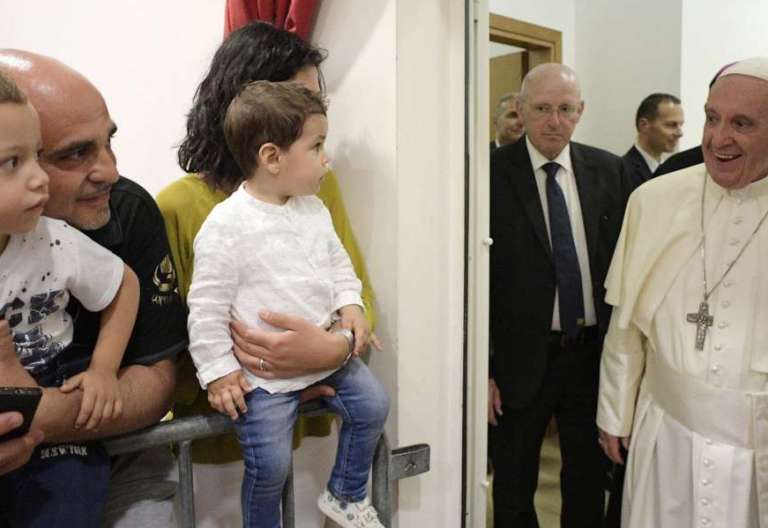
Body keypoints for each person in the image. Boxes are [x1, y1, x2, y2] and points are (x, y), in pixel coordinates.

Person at [157, 21, 377, 470]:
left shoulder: (316, 190)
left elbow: (353, 288)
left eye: (317, 100)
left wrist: (332, 350)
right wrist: (257, 376)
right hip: (220, 444)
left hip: (314, 429)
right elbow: (166, 350)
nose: (311, 112)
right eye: (297, 97)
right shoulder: (177, 206)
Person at [0, 50, 188, 527]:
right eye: (74, 154)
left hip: (108, 449)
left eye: (109, 142)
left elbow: (156, 381)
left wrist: (39, 415)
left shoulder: (125, 210)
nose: (110, 171)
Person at [188, 81, 387, 528]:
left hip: (327, 357)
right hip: (264, 379)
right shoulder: (225, 226)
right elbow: (205, 308)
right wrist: (218, 372)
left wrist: (351, 306)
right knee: (271, 465)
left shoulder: (313, 209)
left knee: (373, 405)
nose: (326, 158)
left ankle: (346, 494)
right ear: (272, 157)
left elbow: (339, 266)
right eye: (316, 146)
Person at [597, 57, 768, 528]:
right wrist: (614, 413)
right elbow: (627, 322)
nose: (718, 139)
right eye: (712, 118)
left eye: (742, 124)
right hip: (666, 435)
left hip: (755, 457)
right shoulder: (653, 199)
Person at [488, 63, 631, 527]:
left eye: (566, 109)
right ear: (521, 109)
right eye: (542, 109)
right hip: (520, 360)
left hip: (591, 355)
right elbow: (475, 283)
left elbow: (625, 264)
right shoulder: (488, 175)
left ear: (580, 111)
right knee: (514, 481)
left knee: (588, 478)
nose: (555, 121)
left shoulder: (610, 171)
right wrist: (482, 369)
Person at [623, 93, 684, 188]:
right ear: (644, 125)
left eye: (681, 125)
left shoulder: (672, 170)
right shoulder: (623, 172)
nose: (680, 133)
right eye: (671, 125)